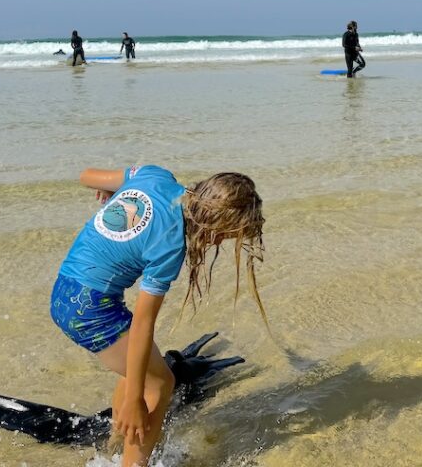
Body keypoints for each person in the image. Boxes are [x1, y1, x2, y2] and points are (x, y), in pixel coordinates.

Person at [50, 165, 266, 467]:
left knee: (139, 366)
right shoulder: (170, 245)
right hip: (90, 311)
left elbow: (85, 175)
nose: (217, 243)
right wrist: (136, 400)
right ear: (211, 220)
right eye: (221, 235)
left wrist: (117, 194)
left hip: (64, 291)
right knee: (160, 383)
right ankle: (132, 462)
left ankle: (115, 446)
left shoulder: (154, 176)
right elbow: (142, 323)